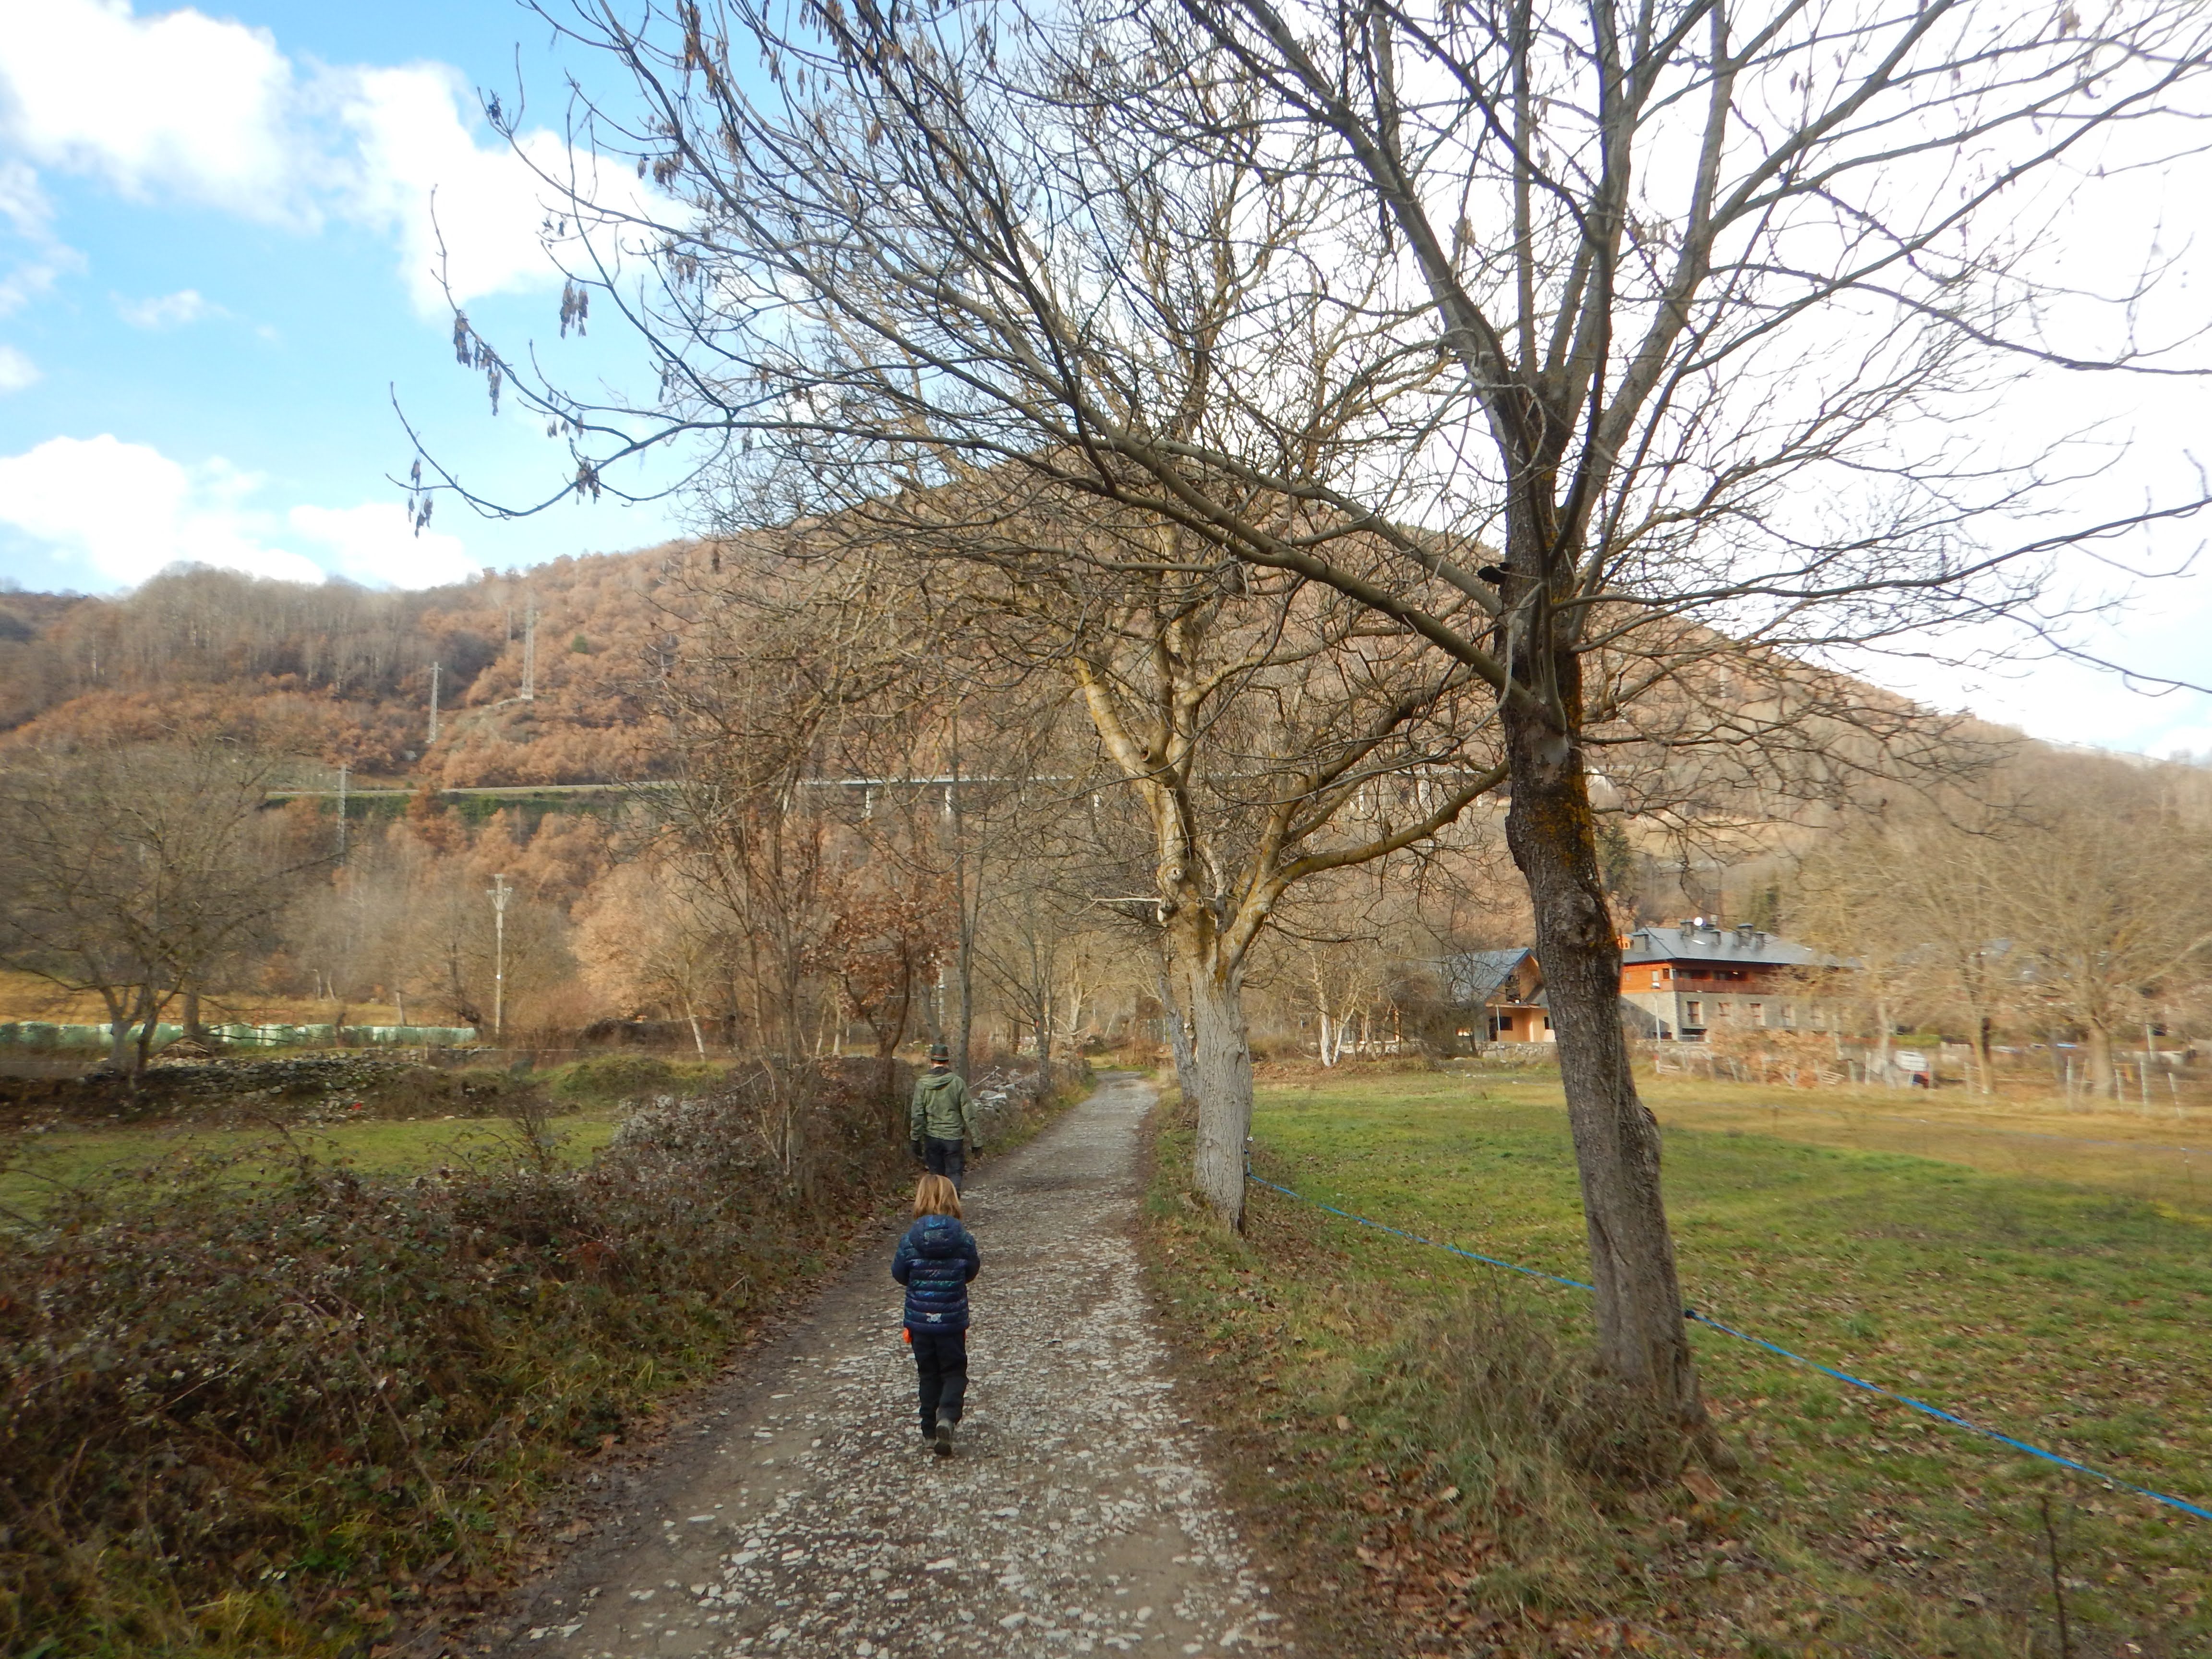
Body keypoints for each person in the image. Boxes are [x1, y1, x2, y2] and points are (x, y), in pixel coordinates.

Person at [891, 1173, 980, 1456]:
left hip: (920, 1323)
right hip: (952, 1321)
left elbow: (899, 1274)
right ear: (953, 1199)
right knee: (954, 1371)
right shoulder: (963, 1238)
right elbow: (971, 1272)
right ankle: (948, 1416)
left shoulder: (910, 1240)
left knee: (928, 1374)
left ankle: (930, 1431)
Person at [909, 1042, 980, 1190]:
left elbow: (917, 1114)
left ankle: (939, 1209)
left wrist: (915, 1138)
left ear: (931, 1061)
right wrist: (977, 1141)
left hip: (932, 1137)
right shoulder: (958, 1083)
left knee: (936, 1176)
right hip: (954, 1137)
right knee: (955, 1173)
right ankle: (953, 1204)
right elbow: (969, 1114)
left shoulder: (922, 1084)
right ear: (947, 1061)